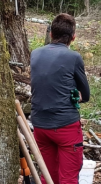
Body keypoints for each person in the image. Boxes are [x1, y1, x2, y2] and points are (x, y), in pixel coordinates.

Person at [31, 13, 90, 184]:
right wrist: (77, 97)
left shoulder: (35, 54)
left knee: (48, 177)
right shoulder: (73, 57)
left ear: (51, 34)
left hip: (40, 125)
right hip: (65, 127)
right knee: (68, 178)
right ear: (73, 37)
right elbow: (85, 94)